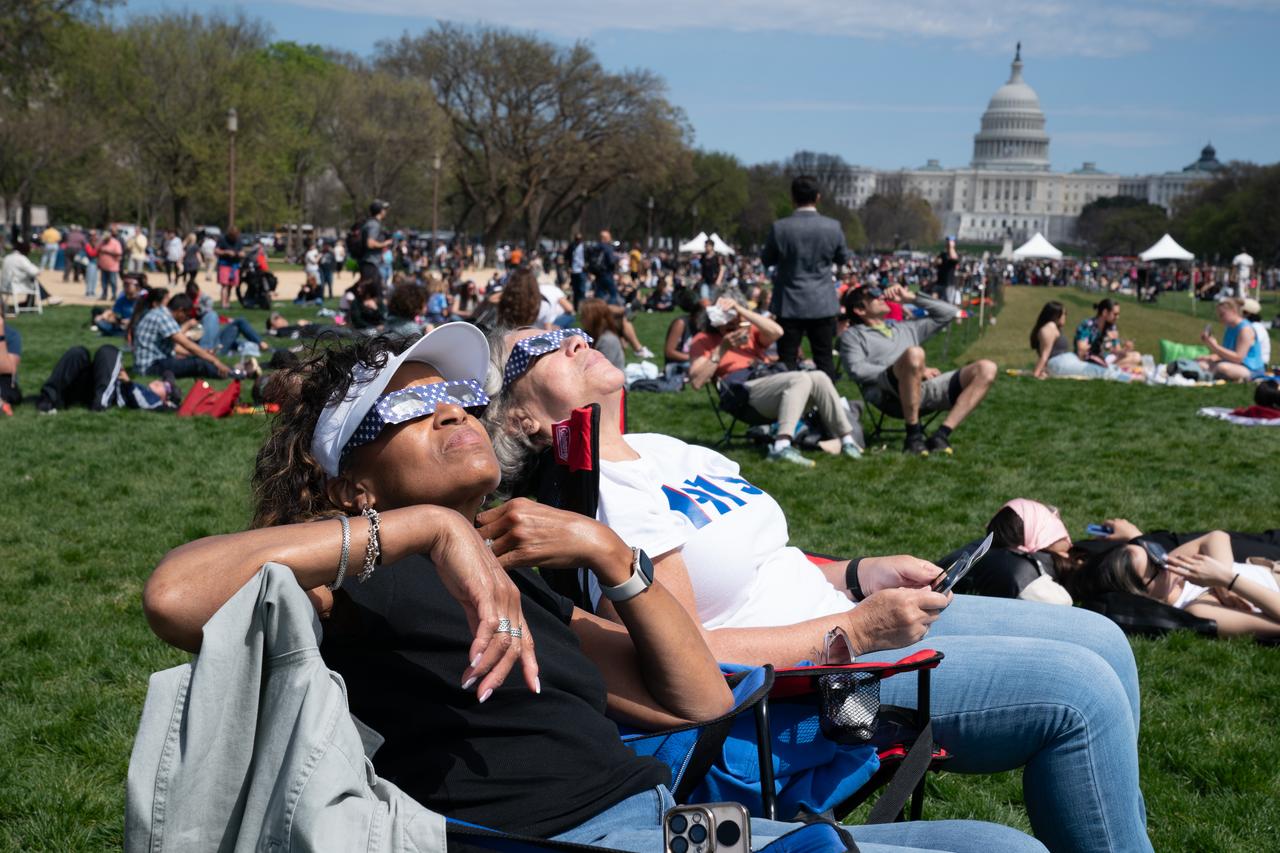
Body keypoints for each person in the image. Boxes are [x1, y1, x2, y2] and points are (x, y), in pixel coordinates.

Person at [140, 325, 1042, 853]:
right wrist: (423, 528)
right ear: (349, 486)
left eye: (454, 390)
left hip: (677, 816)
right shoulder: (352, 584)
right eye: (405, 407)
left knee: (1006, 844)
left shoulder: (515, 580)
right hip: (593, 841)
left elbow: (688, 697)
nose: (451, 406)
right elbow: (175, 594)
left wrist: (611, 552)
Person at [490, 327, 1153, 853]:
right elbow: (684, 657)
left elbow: (762, 561)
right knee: (1081, 693)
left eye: (568, 330)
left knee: (1103, 637)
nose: (570, 337)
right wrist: (856, 631)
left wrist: (861, 572)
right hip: (815, 688)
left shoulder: (657, 448)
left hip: (859, 616)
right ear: (520, 419)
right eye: (536, 348)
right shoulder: (591, 499)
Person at [688, 297, 862, 465]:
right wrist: (722, 349)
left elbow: (777, 331)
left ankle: (847, 439)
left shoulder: (748, 333)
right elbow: (696, 382)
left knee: (819, 376)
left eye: (735, 317)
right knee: (799, 378)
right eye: (726, 318)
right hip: (743, 395)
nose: (732, 323)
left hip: (771, 383)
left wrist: (741, 309)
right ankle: (781, 445)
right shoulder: (703, 340)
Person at [840, 283, 996, 456]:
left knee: (986, 368)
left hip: (921, 388)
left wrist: (911, 298)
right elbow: (856, 369)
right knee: (914, 354)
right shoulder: (853, 336)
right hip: (889, 393)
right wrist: (910, 369)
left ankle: (941, 435)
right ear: (860, 310)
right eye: (873, 295)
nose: (881, 296)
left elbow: (950, 313)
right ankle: (913, 436)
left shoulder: (905, 327)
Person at [1073, 527, 1280, 640]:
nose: (1163, 562)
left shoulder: (1172, 565)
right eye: (1154, 568)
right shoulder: (1201, 609)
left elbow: (1215, 537)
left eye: (1154, 552)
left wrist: (1222, 587)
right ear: (1141, 594)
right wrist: (1228, 580)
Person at [761, 175, 850, 380]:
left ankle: (789, 408)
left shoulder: (780, 228)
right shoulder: (832, 227)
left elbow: (767, 259)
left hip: (789, 303)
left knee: (787, 361)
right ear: (818, 197)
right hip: (822, 302)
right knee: (824, 359)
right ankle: (828, 408)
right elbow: (843, 257)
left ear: (792, 198)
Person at [938, 499, 1074, 605]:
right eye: (1055, 525)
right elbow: (1061, 603)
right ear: (1038, 535)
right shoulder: (1023, 573)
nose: (1065, 533)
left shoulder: (984, 548)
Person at [35, 344, 176, 413]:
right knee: (79, 353)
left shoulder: (155, 402)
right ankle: (48, 398)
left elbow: (147, 404)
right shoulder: (143, 389)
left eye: (166, 386)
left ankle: (100, 403)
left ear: (166, 400)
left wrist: (128, 383)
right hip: (90, 387)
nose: (160, 382)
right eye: (162, 380)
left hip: (104, 394)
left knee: (109, 351)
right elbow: (169, 372)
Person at [131, 292, 231, 378]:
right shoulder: (163, 317)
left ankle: (232, 370)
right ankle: (232, 374)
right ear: (180, 310)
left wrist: (204, 353)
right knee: (199, 363)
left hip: (150, 364)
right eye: (186, 315)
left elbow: (174, 348)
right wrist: (214, 361)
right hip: (150, 366)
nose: (186, 318)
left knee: (199, 359)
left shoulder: (160, 313)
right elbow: (186, 344)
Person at [1030, 301, 1129, 381]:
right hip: (1059, 363)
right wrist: (1036, 374)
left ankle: (1123, 375)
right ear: (1056, 315)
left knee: (1098, 368)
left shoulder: (1053, 328)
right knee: (1095, 371)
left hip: (1064, 361)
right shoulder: (1050, 327)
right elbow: (1045, 355)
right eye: (1064, 314)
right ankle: (1127, 378)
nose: (1066, 316)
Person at [1198, 297, 1264, 381]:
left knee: (1222, 367)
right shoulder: (1230, 327)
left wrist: (1215, 346)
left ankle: (1207, 376)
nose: (1220, 318)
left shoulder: (1245, 330)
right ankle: (1206, 374)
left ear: (1233, 311)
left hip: (1251, 369)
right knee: (1202, 364)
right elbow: (1227, 354)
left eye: (1222, 315)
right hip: (1233, 364)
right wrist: (1210, 354)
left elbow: (1238, 358)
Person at [1074, 299, 1141, 370]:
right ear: (1105, 312)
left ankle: (1109, 368)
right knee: (1130, 363)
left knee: (1136, 356)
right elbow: (1081, 350)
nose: (1118, 317)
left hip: (1106, 359)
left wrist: (1126, 349)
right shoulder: (1087, 325)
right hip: (1091, 359)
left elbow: (1117, 351)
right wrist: (1102, 342)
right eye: (1115, 314)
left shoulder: (1112, 327)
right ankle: (1111, 369)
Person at [579, 299, 626, 371]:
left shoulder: (608, 340)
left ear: (594, 318)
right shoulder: (586, 333)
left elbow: (602, 370)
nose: (580, 319)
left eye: (583, 316)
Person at [361, 200, 393, 290]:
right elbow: (370, 243)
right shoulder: (374, 224)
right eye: (384, 209)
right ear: (380, 211)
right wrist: (385, 243)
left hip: (371, 263)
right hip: (370, 263)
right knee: (371, 292)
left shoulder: (372, 223)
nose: (385, 211)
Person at [215, 227, 245, 310]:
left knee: (231, 286)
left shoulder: (239, 240)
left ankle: (227, 303)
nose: (234, 238)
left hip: (235, 265)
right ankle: (223, 304)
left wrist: (240, 254)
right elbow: (216, 251)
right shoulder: (222, 239)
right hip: (224, 265)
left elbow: (242, 251)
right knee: (224, 285)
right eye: (233, 236)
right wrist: (226, 252)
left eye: (236, 236)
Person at [590, 230, 619, 304]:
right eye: (609, 237)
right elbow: (611, 261)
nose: (610, 238)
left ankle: (598, 312)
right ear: (605, 238)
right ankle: (609, 311)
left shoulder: (595, 247)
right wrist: (617, 258)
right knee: (613, 294)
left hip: (598, 273)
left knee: (599, 295)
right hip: (607, 273)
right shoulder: (607, 247)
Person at [1241, 298, 1271, 368]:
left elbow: (1249, 348)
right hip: (1250, 361)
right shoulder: (1249, 326)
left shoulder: (1256, 327)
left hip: (1256, 364)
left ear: (1247, 313)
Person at [97, 227, 124, 301]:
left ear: (109, 237)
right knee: (103, 282)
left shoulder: (116, 243)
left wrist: (108, 252)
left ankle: (114, 295)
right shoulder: (102, 243)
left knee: (113, 282)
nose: (104, 240)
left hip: (113, 267)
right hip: (103, 266)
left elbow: (119, 254)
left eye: (106, 239)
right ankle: (104, 295)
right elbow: (98, 251)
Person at [567, 233, 588, 308]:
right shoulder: (572, 246)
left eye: (579, 239)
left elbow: (588, 257)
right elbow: (567, 256)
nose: (578, 241)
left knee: (582, 290)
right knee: (575, 290)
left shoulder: (584, 247)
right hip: (574, 271)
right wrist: (569, 267)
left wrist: (587, 265)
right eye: (577, 239)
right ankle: (576, 307)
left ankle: (582, 307)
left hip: (582, 271)